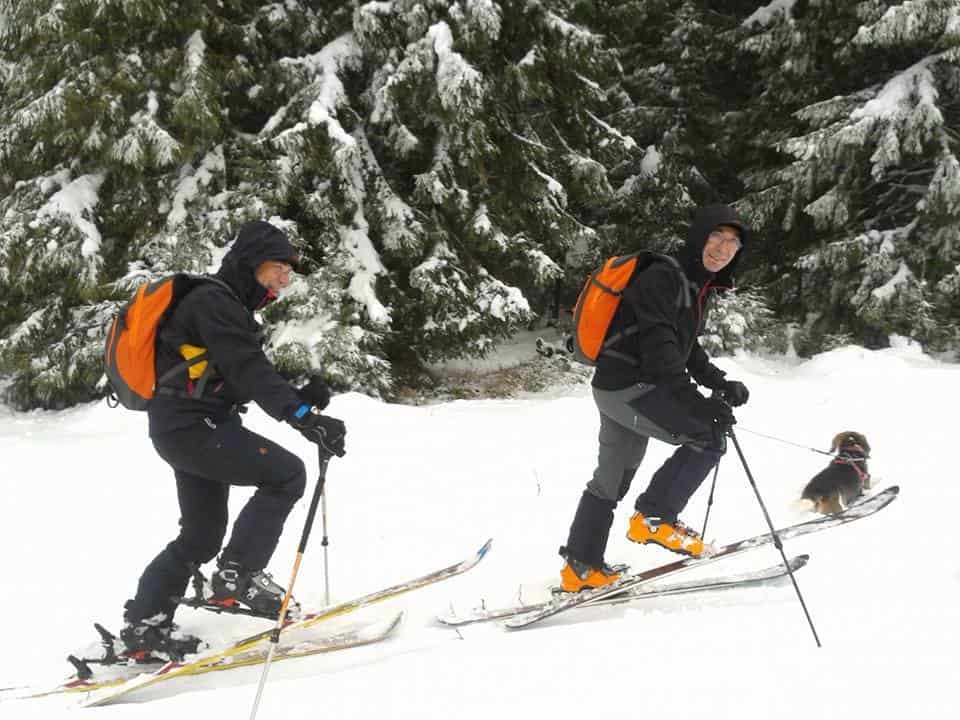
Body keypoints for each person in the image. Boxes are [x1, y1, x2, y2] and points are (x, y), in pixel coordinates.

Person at [119, 220, 346, 659]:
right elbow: (249, 370)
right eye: (280, 266)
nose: (286, 277)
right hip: (191, 427)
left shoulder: (223, 306)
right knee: (286, 474)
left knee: (201, 535)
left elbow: (231, 377)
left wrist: (299, 399)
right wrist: (301, 417)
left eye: (290, 270)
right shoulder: (214, 301)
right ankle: (237, 575)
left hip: (186, 426)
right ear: (252, 262)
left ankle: (145, 626)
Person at [558, 205, 751, 593]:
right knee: (707, 437)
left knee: (611, 480)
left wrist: (719, 382)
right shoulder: (666, 277)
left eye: (733, 243)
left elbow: (683, 345)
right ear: (699, 237)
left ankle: (581, 567)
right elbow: (662, 353)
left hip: (618, 387)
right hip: (632, 387)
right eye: (717, 237)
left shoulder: (693, 284)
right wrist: (701, 405)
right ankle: (655, 518)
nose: (723, 248)